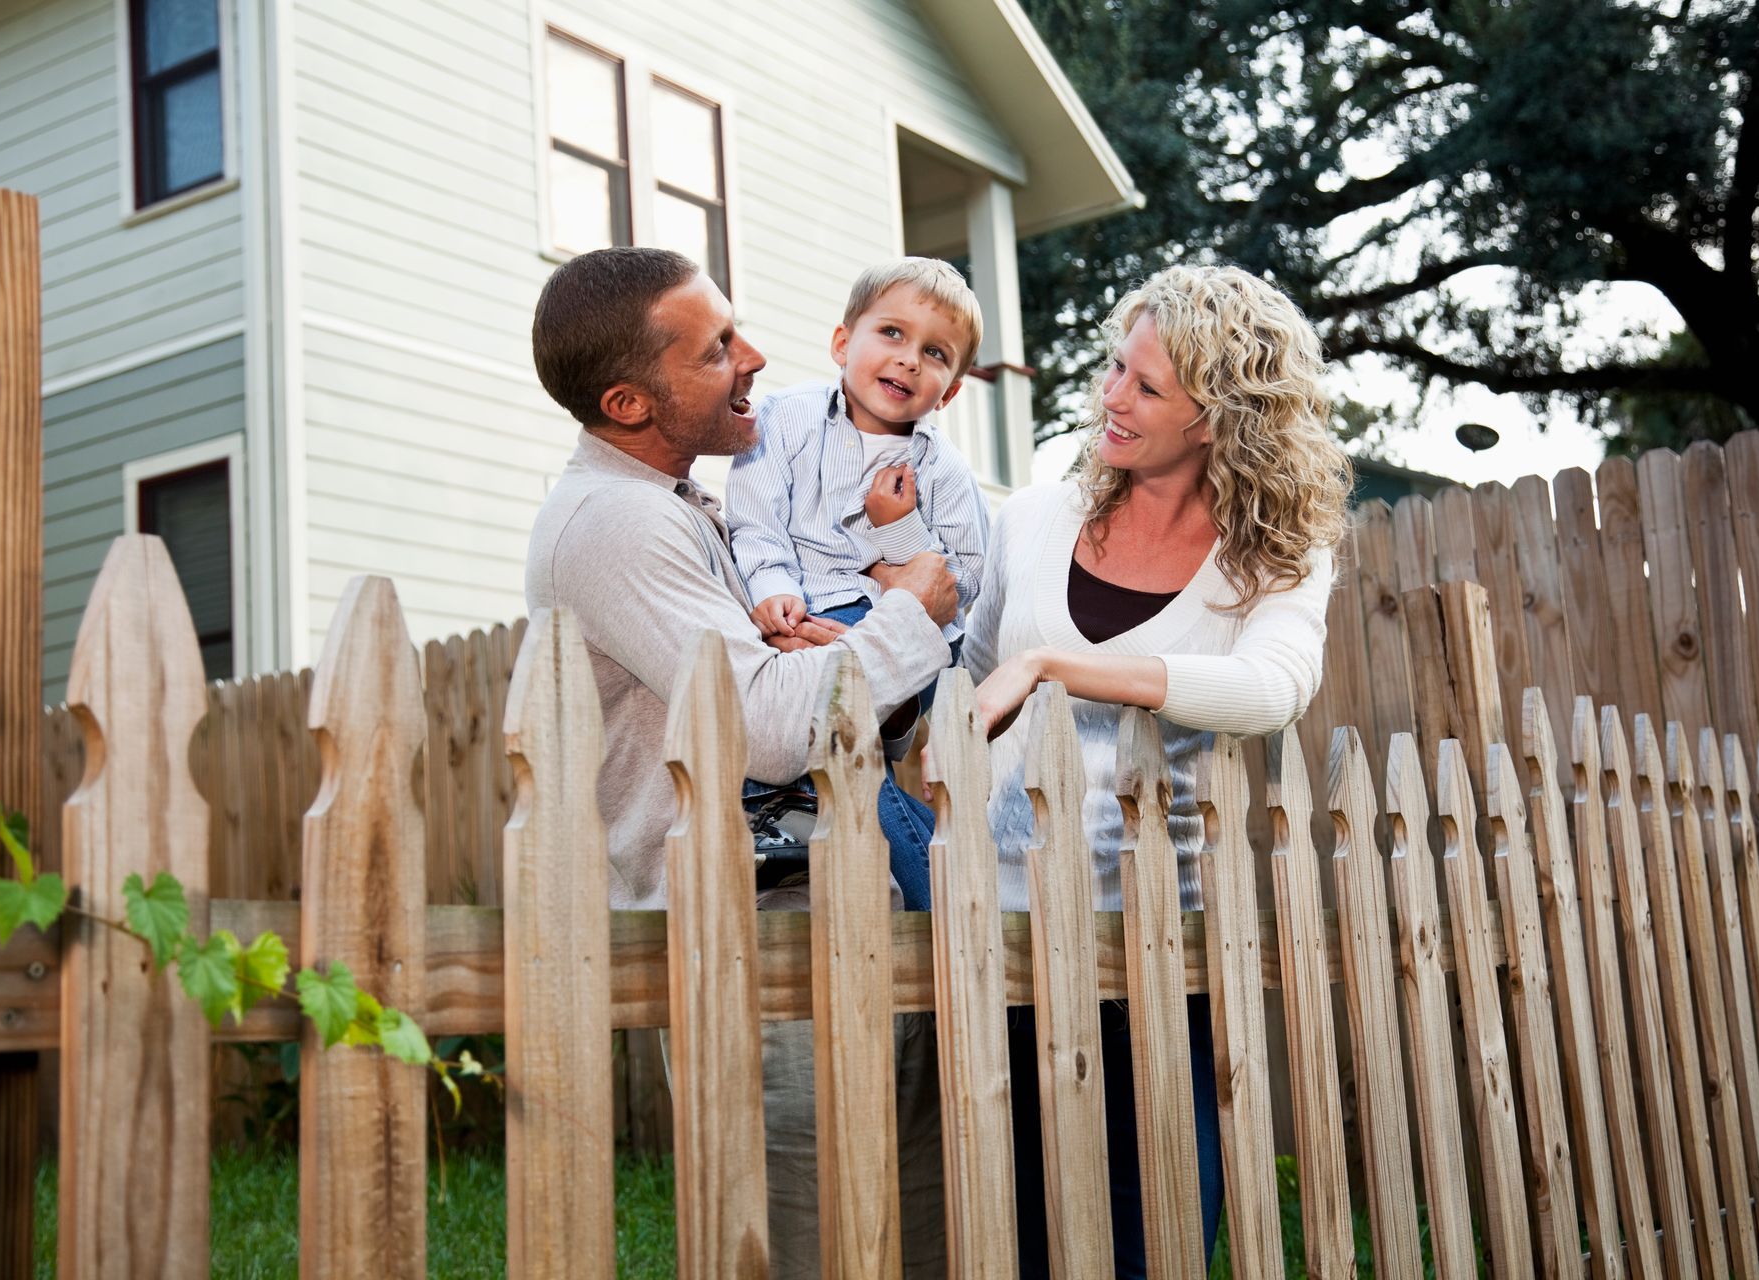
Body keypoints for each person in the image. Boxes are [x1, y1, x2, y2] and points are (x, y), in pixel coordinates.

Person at [523, 246, 954, 1277]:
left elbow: (809, 710)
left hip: (836, 916)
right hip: (755, 955)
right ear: (630, 400)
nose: (754, 356)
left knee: (921, 1236)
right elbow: (762, 726)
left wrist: (844, 650)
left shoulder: (687, 507)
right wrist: (908, 614)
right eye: (717, 348)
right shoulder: (615, 524)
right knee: (812, 1244)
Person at [961, 264, 1352, 1276]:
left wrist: (1059, 663)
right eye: (1113, 371)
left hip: (1165, 939)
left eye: (1145, 387)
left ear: (1218, 417)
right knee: (1015, 1228)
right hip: (1004, 928)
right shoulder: (1034, 519)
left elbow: (1272, 688)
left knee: (1154, 1231)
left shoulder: (1278, 553)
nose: (1111, 399)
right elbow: (973, 677)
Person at [728, 256, 992, 909]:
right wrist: (770, 589)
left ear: (951, 390)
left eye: (935, 353)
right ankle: (928, 880)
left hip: (896, 630)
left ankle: (770, 811)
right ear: (844, 343)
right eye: (892, 334)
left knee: (805, 738)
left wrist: (897, 532)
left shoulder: (944, 471)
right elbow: (755, 524)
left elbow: (962, 581)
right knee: (839, 771)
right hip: (789, 617)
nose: (908, 360)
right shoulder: (783, 421)